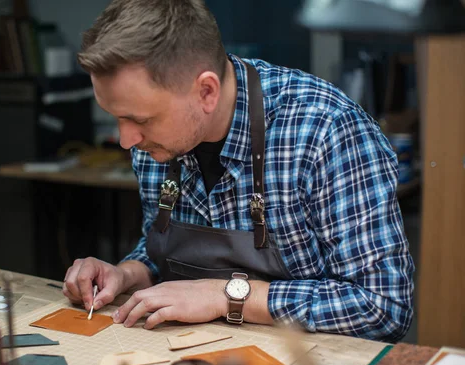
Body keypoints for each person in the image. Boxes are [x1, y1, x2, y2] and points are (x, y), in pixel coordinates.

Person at [62, 0, 414, 342]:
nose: (126, 141)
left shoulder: (325, 131)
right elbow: (164, 256)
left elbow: (383, 306)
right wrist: (126, 273)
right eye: (117, 117)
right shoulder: (155, 142)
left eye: (139, 119)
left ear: (206, 92)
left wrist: (225, 295)